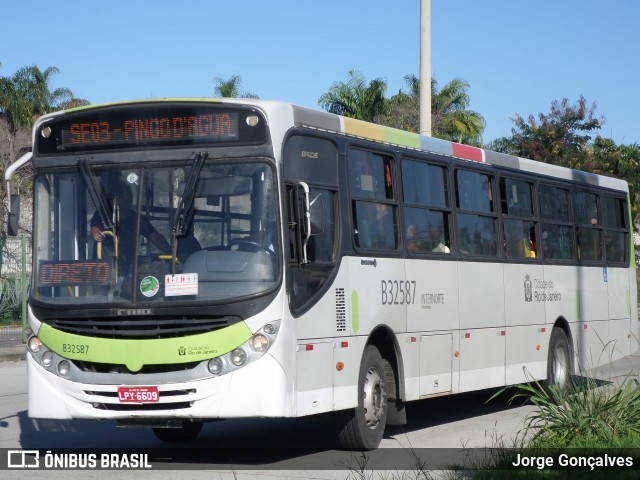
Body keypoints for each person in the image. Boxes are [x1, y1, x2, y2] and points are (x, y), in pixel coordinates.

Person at [91, 183, 171, 268]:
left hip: (129, 268)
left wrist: (170, 252)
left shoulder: (138, 219)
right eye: (123, 195)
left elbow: (155, 237)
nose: (127, 199)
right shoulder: (102, 214)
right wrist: (96, 235)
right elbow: (95, 228)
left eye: (129, 195)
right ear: (116, 198)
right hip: (104, 268)